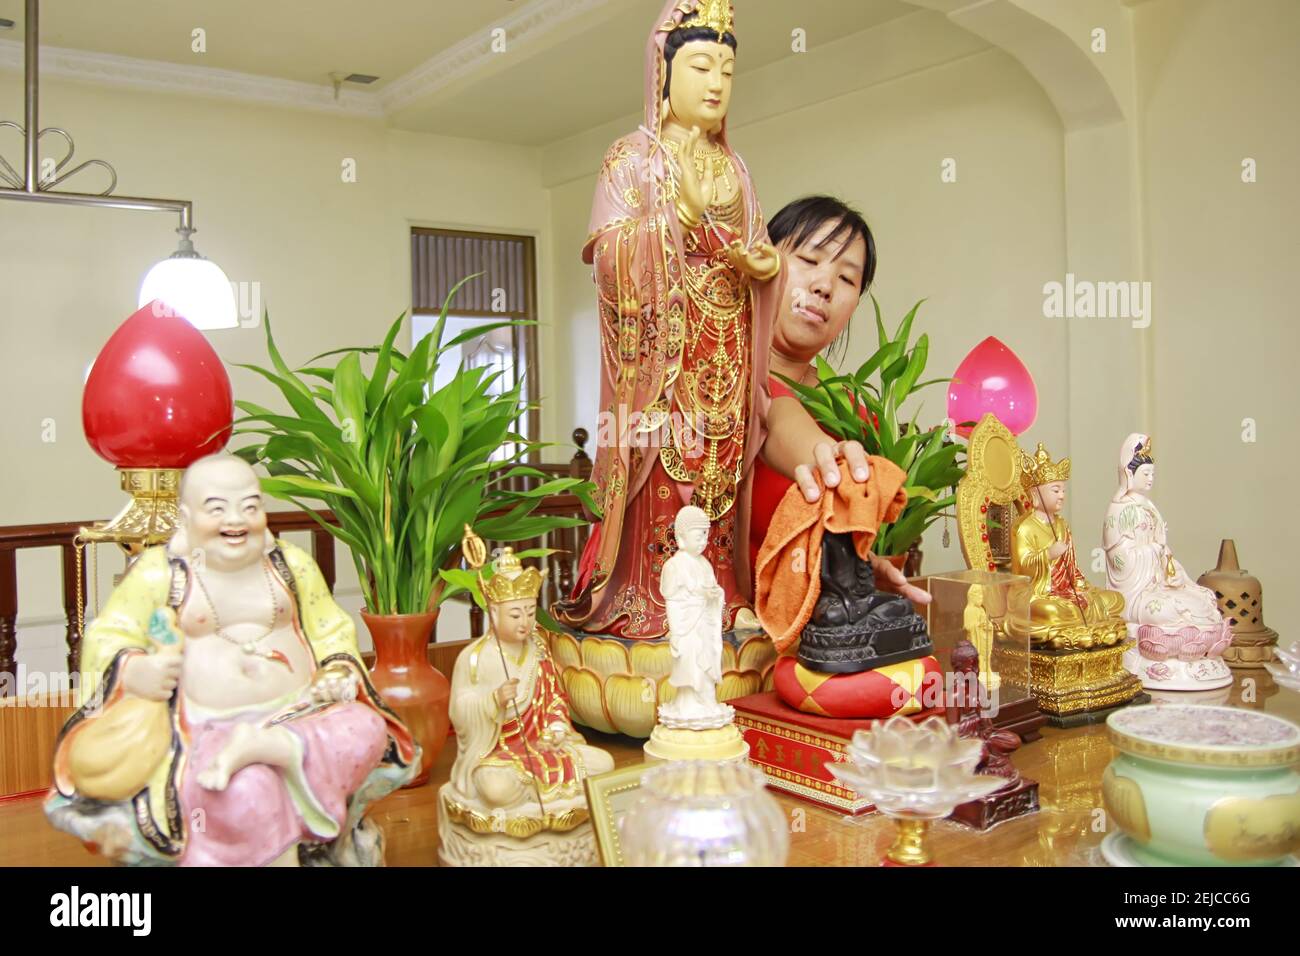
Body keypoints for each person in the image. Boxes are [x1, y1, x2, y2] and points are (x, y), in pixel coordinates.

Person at [46, 454, 417, 866]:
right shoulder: (161, 574)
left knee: (366, 727)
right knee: (243, 792)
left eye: (250, 506)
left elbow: (330, 628)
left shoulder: (290, 565)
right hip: (207, 729)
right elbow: (108, 636)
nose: (236, 520)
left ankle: (272, 747)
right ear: (185, 519)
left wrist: (337, 671)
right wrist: (136, 670)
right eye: (217, 508)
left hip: (299, 715)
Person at [751, 195, 929, 606]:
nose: (824, 286)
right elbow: (774, 414)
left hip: (805, 645)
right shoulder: (714, 378)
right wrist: (824, 456)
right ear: (761, 262)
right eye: (809, 260)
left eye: (847, 279)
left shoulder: (853, 416)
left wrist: (860, 572)